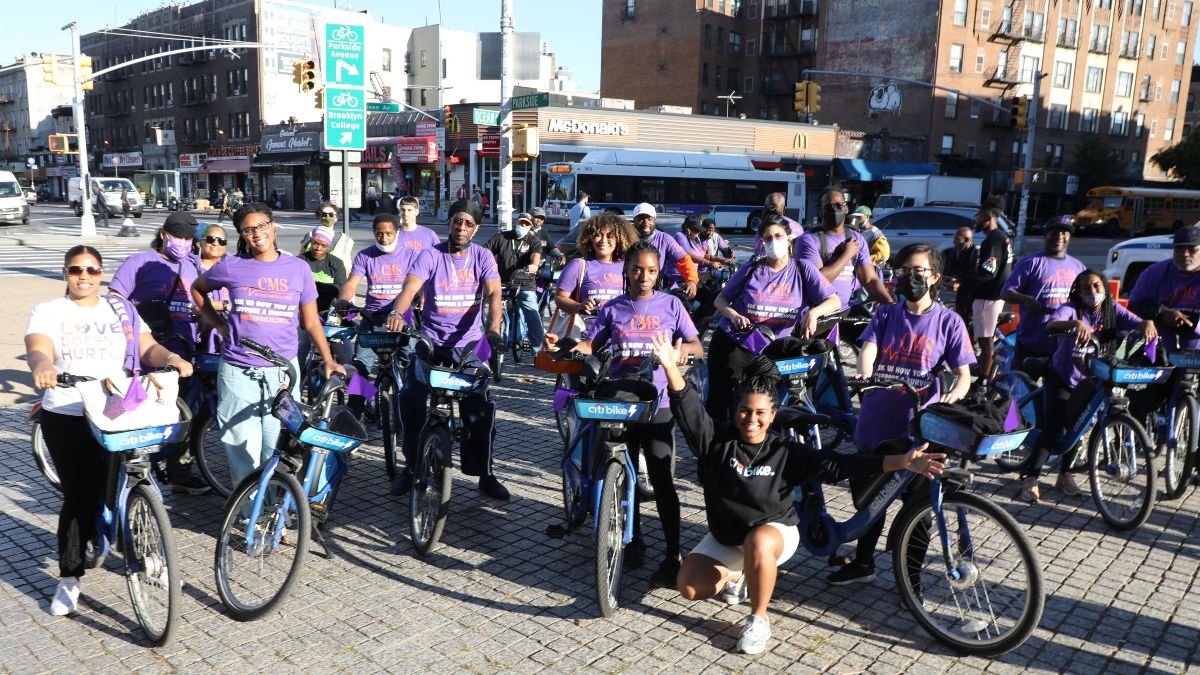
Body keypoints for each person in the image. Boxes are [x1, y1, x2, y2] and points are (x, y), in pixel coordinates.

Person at [651, 335, 944, 655]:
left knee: (759, 542)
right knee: (690, 586)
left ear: (773, 414)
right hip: (728, 537)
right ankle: (742, 572)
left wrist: (901, 462)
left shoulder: (784, 451)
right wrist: (669, 367)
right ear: (736, 411)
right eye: (745, 411)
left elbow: (841, 464)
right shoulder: (716, 442)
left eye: (760, 412)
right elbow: (687, 406)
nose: (752, 419)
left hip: (774, 535)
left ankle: (758, 619)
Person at [26, 245, 193, 616]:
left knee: (133, 485)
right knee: (81, 496)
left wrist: (170, 358)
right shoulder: (50, 311)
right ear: (65, 273)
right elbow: (38, 346)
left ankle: (151, 558)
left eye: (91, 270)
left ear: (101, 274)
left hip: (117, 410)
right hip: (68, 412)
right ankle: (70, 577)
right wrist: (42, 366)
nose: (83, 276)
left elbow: (146, 345)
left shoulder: (119, 308)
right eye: (75, 270)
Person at [545, 241, 705, 587]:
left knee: (662, 479)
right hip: (617, 403)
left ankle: (673, 552)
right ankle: (631, 540)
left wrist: (681, 354)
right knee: (618, 471)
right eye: (636, 270)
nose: (643, 277)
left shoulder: (672, 305)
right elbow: (592, 344)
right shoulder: (613, 308)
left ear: (658, 271)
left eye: (650, 271)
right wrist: (564, 346)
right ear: (626, 271)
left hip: (658, 404)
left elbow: (696, 345)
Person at [828, 243, 975, 585]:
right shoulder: (886, 314)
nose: (909, 277)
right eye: (905, 270)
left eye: (918, 271)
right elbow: (870, 349)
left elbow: (964, 374)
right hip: (877, 422)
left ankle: (911, 580)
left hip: (920, 432)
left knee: (921, 509)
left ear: (935, 277)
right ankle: (863, 563)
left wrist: (954, 395)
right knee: (871, 501)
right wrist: (866, 376)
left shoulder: (949, 322)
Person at [190, 203, 346, 486]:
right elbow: (198, 290)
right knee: (243, 451)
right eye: (248, 230)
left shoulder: (298, 269)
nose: (256, 234)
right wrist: (218, 323)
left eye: (261, 226)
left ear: (273, 227)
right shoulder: (231, 265)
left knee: (278, 449)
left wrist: (328, 359)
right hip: (238, 372)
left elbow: (311, 322)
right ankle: (253, 517)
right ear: (242, 235)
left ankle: (274, 514)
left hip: (282, 374)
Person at [384, 200, 511, 500]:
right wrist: (397, 314)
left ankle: (485, 473)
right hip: (430, 340)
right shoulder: (430, 254)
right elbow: (410, 289)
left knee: (479, 407)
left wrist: (494, 330)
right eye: (457, 221)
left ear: (476, 228)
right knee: (410, 397)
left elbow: (494, 294)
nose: (462, 227)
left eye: (469, 223)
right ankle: (410, 466)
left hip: (468, 344)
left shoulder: (483, 256)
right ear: (450, 223)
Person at [1019, 270, 1156, 502]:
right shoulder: (1071, 309)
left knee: (1080, 427)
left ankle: (1065, 475)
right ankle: (1031, 478)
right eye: (1085, 288)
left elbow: (1136, 321)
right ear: (1078, 292)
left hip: (1091, 380)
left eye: (1096, 286)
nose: (1091, 292)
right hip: (1063, 376)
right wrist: (1074, 324)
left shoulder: (1111, 311)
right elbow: (1050, 324)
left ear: (1104, 288)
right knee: (1054, 427)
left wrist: (1147, 323)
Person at [107, 212, 209, 494]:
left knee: (186, 415)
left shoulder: (192, 265)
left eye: (189, 238)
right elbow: (114, 299)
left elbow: (202, 301)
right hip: (147, 356)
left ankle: (180, 474)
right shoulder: (139, 263)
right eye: (179, 237)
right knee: (140, 415)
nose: (184, 243)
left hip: (185, 355)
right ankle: (126, 472)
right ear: (164, 234)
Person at [708, 213, 840, 421]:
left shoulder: (802, 268)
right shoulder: (752, 267)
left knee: (767, 406)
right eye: (768, 238)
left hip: (774, 350)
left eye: (778, 236)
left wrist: (814, 313)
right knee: (721, 403)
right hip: (736, 342)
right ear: (762, 242)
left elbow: (834, 301)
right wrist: (733, 315)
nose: (773, 241)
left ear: (789, 238)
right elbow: (720, 300)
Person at [340, 213, 429, 417]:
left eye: (389, 234)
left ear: (397, 233)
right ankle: (357, 411)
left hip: (402, 319)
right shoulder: (365, 255)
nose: (384, 238)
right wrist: (344, 300)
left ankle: (411, 408)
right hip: (372, 319)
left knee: (411, 362)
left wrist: (424, 295)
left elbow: (420, 282)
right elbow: (352, 283)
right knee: (361, 365)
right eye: (379, 234)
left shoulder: (412, 255)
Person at [1000, 220, 1086, 374]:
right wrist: (1025, 299)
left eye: (1064, 233)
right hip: (1031, 341)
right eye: (1054, 232)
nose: (1059, 236)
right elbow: (1006, 293)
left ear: (1069, 238)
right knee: (1022, 391)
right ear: (1045, 236)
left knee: (1054, 394)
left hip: (1062, 344)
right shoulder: (1030, 263)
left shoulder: (1078, 267)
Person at [792, 188, 893, 309]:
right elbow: (816, 282)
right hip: (814, 313)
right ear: (821, 212)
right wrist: (846, 255)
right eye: (828, 207)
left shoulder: (856, 238)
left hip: (843, 311)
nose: (834, 210)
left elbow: (870, 279)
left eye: (839, 205)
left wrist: (891, 305)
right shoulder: (809, 240)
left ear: (846, 208)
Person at [553, 214, 638, 332]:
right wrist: (579, 306)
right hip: (585, 335)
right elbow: (559, 298)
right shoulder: (578, 265)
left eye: (610, 236)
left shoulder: (628, 266)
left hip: (619, 336)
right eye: (597, 235)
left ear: (619, 239)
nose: (603, 241)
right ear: (590, 238)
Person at [484, 212, 545, 360]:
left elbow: (535, 256)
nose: (523, 226)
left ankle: (539, 352)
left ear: (530, 226)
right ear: (516, 222)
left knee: (532, 312)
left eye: (526, 224)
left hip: (525, 281)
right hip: (501, 282)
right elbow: (484, 251)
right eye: (521, 222)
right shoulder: (502, 237)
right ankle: (484, 351)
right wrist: (486, 263)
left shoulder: (533, 240)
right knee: (490, 314)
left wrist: (534, 266)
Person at [969, 205, 1013, 379]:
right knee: (985, 339)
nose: (976, 219)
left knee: (985, 341)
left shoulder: (993, 240)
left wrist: (966, 280)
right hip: (995, 295)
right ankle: (983, 370)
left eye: (980, 216)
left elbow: (989, 271)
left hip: (988, 296)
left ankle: (983, 382)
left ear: (990, 217)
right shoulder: (1002, 238)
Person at [630, 202, 699, 299]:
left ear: (654, 220)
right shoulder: (626, 239)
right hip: (629, 293)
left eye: (649, 219)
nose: (645, 223)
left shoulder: (665, 239)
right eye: (641, 219)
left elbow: (684, 259)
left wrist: (691, 280)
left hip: (655, 294)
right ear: (634, 221)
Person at [299, 227, 348, 313]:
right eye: (315, 243)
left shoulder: (336, 263)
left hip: (328, 310)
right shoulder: (299, 261)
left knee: (350, 318)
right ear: (310, 242)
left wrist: (313, 285)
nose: (318, 248)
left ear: (329, 246)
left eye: (323, 245)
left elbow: (341, 289)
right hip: (303, 309)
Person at [300, 202, 356, 270]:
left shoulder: (346, 239)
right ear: (319, 217)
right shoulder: (310, 235)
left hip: (336, 277)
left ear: (336, 218)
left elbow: (348, 263)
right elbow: (300, 259)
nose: (327, 217)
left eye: (331, 214)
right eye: (324, 214)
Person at [941, 227, 978, 325]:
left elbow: (975, 275)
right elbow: (947, 271)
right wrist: (949, 280)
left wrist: (959, 281)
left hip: (974, 294)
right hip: (961, 294)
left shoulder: (976, 254)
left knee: (969, 321)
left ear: (966, 240)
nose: (954, 242)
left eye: (957, 239)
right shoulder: (955, 252)